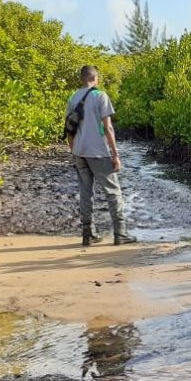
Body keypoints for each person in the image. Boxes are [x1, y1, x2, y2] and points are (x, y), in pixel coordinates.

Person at [66, 65, 136, 246]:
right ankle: (120, 234)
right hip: (98, 151)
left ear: (82, 79)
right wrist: (115, 154)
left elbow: (69, 129)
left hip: (80, 152)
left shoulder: (73, 98)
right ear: (95, 78)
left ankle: (88, 233)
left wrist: (73, 152)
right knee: (113, 192)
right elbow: (108, 127)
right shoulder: (100, 96)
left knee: (85, 192)